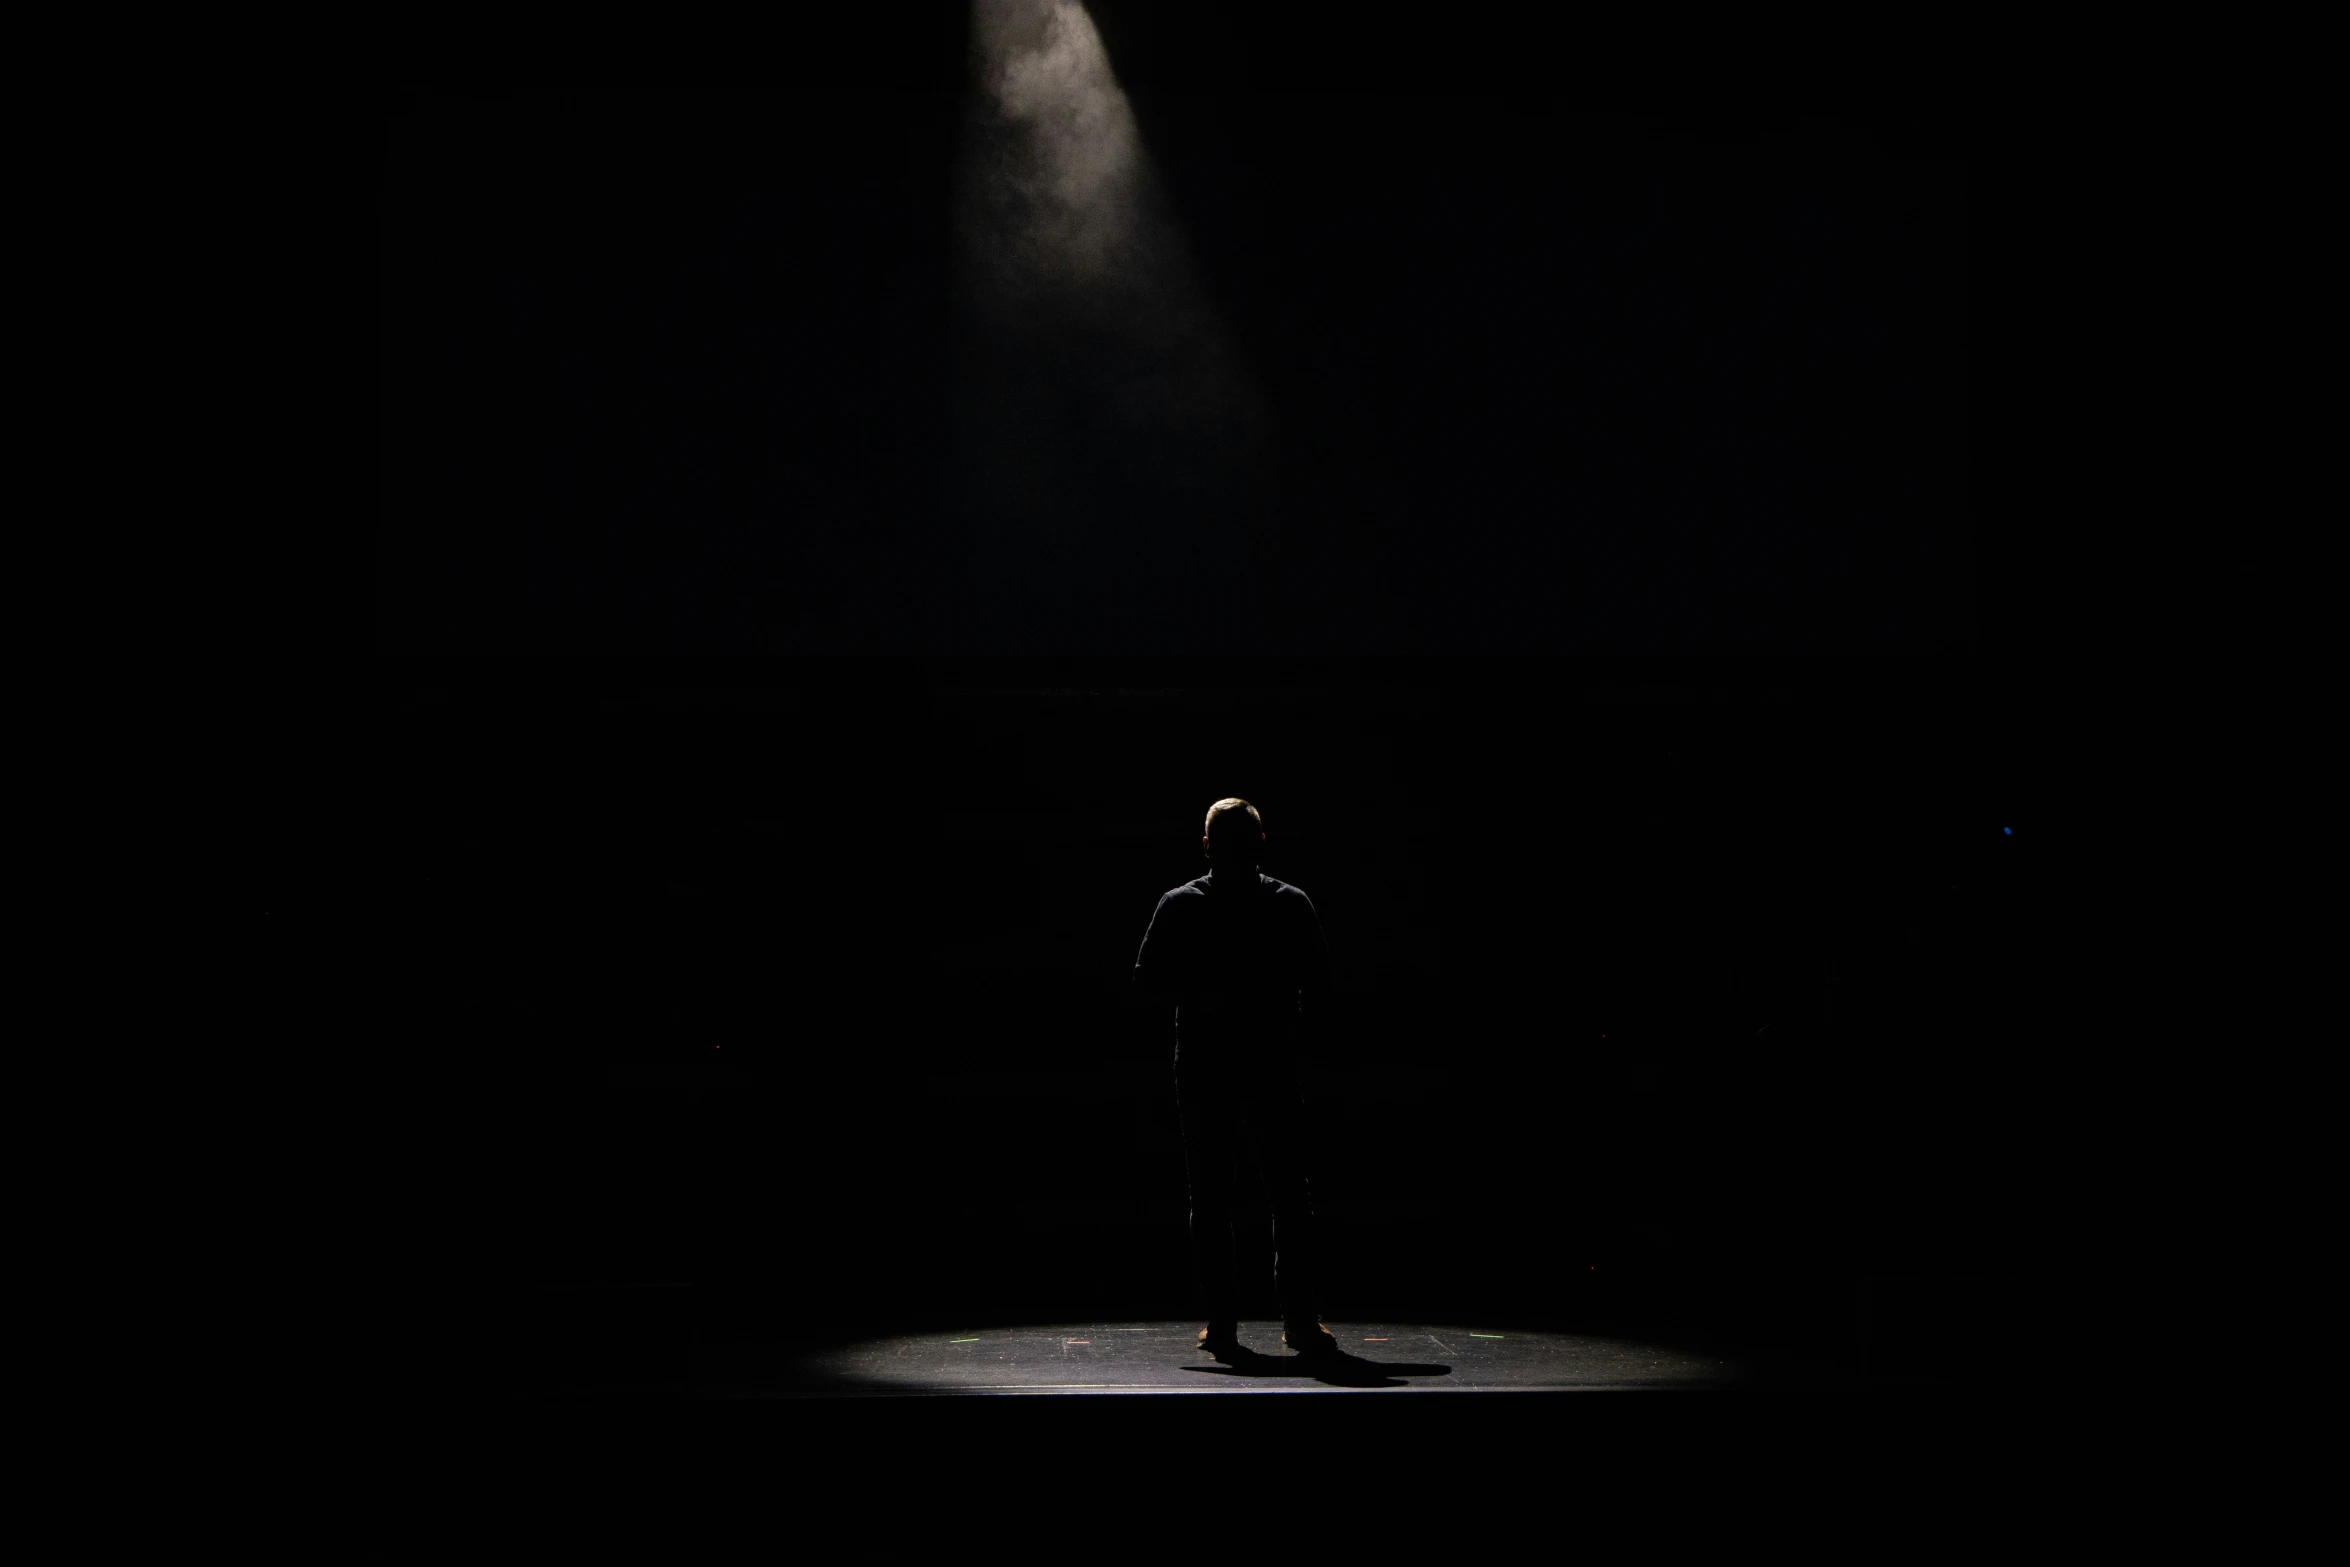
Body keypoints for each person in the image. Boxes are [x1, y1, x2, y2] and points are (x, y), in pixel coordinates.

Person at [1132, 797, 1338, 1361]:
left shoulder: (1181, 905)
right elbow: (1321, 986)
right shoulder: (1288, 903)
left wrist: (1203, 998)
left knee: (1216, 1198)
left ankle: (1224, 1322)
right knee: (1286, 1197)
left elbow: (1147, 981)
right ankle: (1296, 1322)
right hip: (1264, 1065)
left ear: (1206, 846)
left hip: (1208, 1066)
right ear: (1261, 843)